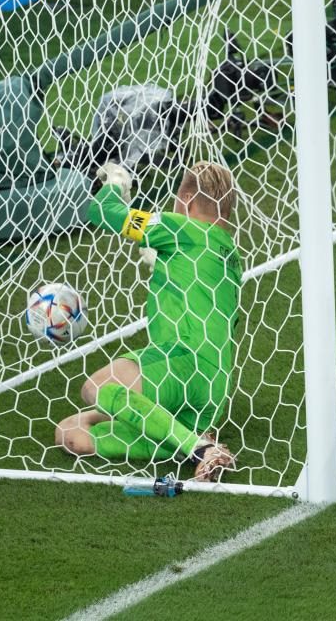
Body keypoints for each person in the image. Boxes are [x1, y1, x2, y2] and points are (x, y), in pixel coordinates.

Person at [54, 161, 241, 482]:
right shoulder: (230, 254)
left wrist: (115, 183)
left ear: (186, 200)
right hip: (209, 393)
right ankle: (188, 439)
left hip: (181, 361)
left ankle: (199, 449)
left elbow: (101, 212)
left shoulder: (178, 227)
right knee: (71, 434)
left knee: (96, 387)